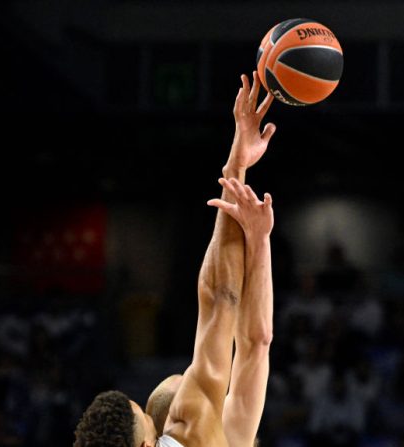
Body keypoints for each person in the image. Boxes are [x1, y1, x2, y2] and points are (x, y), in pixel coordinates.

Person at [73, 71, 277, 447]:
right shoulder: (192, 430)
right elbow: (225, 305)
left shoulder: (215, 435)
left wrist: (260, 240)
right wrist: (236, 168)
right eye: (143, 414)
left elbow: (258, 344)